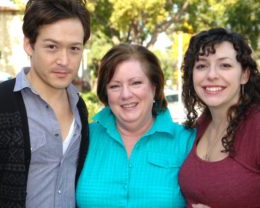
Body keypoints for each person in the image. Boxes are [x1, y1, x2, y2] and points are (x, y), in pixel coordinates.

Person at [0, 0, 90, 207]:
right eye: (52, 46)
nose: (64, 60)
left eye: (74, 48)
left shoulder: (79, 107)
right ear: (29, 44)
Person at [76, 43, 196, 207]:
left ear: (154, 87)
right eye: (115, 86)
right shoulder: (84, 138)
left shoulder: (187, 141)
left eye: (136, 83)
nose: (125, 94)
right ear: (106, 92)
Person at [178, 28, 260, 207]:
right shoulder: (202, 124)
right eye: (201, 66)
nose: (212, 75)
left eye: (225, 65)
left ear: (244, 75)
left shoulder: (256, 127)